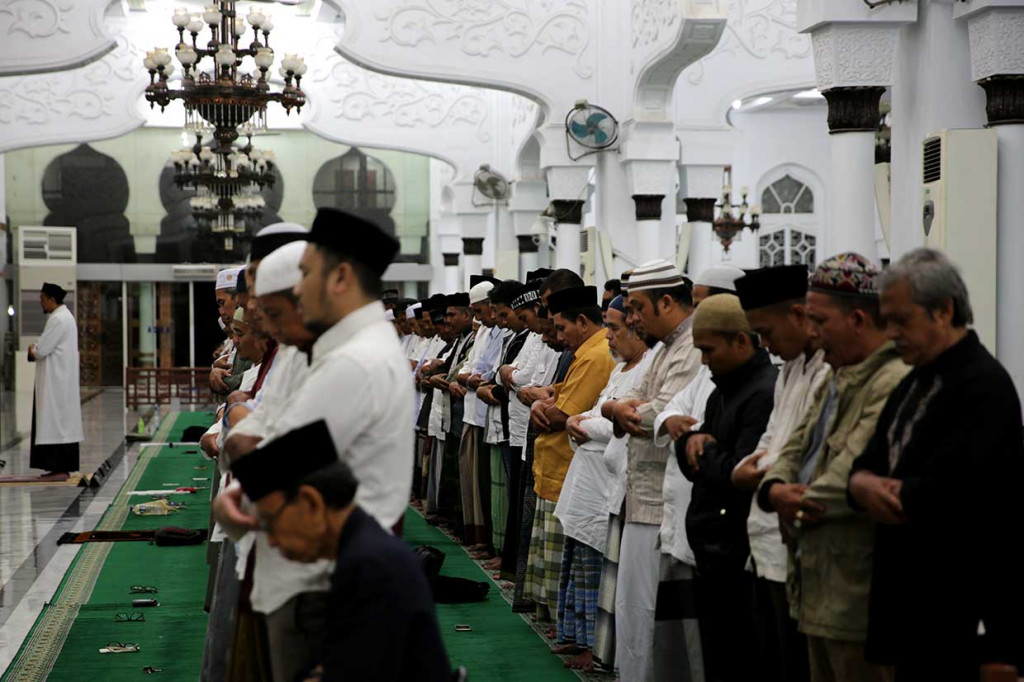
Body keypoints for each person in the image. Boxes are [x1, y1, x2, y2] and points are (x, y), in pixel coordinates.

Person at [216, 207, 411, 682]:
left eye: (304, 274)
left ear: (340, 277)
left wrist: (243, 475)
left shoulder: (354, 361)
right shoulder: (351, 350)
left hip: (319, 586)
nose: (297, 289)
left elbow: (266, 467)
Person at [848, 249, 1024, 682]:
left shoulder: (983, 386)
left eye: (900, 320)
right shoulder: (915, 380)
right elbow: (869, 460)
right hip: (910, 608)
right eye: (885, 321)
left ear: (943, 311)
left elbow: (973, 496)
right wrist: (861, 485)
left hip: (956, 612)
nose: (890, 334)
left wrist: (890, 490)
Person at [757, 253, 909, 682]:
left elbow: (846, 474)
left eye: (819, 321)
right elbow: (791, 449)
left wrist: (788, 500)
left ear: (858, 320)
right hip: (815, 581)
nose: (812, 333)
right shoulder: (834, 376)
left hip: (856, 590)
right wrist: (773, 491)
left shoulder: (891, 381)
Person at [231, 419, 452, 682]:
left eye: (271, 522)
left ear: (310, 503)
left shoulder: (370, 567)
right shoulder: (362, 551)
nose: (272, 542)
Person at [601, 260, 703, 682]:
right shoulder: (664, 346)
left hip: (662, 505)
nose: (632, 318)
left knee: (650, 616)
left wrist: (621, 410)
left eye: (637, 308)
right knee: (632, 613)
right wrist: (612, 407)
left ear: (666, 301)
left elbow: (658, 412)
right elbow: (633, 401)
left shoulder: (693, 345)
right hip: (639, 497)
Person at [733, 265, 828, 682]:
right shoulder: (790, 367)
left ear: (799, 315)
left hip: (800, 542)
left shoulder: (829, 367)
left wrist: (757, 472)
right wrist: (744, 469)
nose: (765, 345)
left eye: (767, 332)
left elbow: (806, 451)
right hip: (764, 538)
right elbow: (771, 440)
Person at [676, 294, 777, 682]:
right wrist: (693, 444)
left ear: (740, 341)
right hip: (713, 550)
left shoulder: (763, 392)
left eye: (708, 349)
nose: (703, 360)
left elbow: (745, 471)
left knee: (742, 659)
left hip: (739, 553)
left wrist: (705, 450)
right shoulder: (724, 389)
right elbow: (692, 451)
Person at [556, 294, 651, 672]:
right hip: (588, 479)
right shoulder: (619, 368)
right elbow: (596, 413)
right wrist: (581, 421)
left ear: (636, 330)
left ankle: (598, 649)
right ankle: (580, 639)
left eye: (614, 329)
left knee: (602, 571)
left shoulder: (645, 370)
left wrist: (578, 422)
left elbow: (613, 422)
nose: (608, 337)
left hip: (612, 484)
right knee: (581, 562)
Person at [526, 285, 616, 625]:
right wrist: (542, 399)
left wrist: (541, 404)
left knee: (577, 565)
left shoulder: (596, 355)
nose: (559, 337)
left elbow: (562, 415)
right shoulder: (587, 352)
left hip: (570, 472)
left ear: (582, 321)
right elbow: (558, 397)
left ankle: (571, 631)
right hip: (558, 469)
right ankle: (566, 630)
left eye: (561, 328)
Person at [26, 282, 83, 479]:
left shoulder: (58, 319)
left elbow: (41, 350)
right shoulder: (63, 317)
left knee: (56, 424)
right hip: (58, 381)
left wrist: (32, 349)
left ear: (51, 300)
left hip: (56, 384)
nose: (41, 304)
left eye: (42, 300)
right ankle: (58, 468)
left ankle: (60, 468)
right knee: (59, 424)